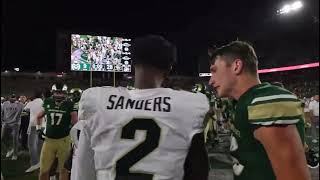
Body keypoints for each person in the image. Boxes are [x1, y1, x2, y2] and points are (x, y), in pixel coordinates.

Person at [73, 35, 209, 180]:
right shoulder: (186, 105)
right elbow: (198, 171)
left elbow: (82, 170)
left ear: (133, 62)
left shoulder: (98, 102)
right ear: (169, 67)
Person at [209, 41, 311, 180]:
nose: (210, 81)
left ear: (236, 66)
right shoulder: (243, 101)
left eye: (214, 70)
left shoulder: (265, 100)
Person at [36, 83, 78, 180]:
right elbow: (39, 116)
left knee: (64, 170)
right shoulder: (47, 101)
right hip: (49, 140)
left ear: (65, 93)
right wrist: (39, 129)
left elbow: (75, 122)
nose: (59, 95)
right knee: (43, 170)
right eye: (57, 93)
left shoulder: (69, 104)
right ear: (53, 92)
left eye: (61, 93)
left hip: (64, 140)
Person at [24, 90, 44, 173]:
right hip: (42, 125)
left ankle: (34, 163)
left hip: (33, 124)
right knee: (40, 145)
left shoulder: (31, 103)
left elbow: (25, 109)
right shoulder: (43, 102)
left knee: (31, 145)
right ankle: (40, 162)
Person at [1, 94, 24, 160]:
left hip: (15, 124)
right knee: (2, 138)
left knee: (15, 139)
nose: (13, 98)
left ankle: (15, 154)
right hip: (6, 123)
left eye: (14, 97)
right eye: (11, 97)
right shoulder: (5, 104)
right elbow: (2, 113)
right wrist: (3, 120)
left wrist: (14, 121)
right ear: (8, 97)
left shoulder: (20, 105)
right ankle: (9, 149)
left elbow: (18, 115)